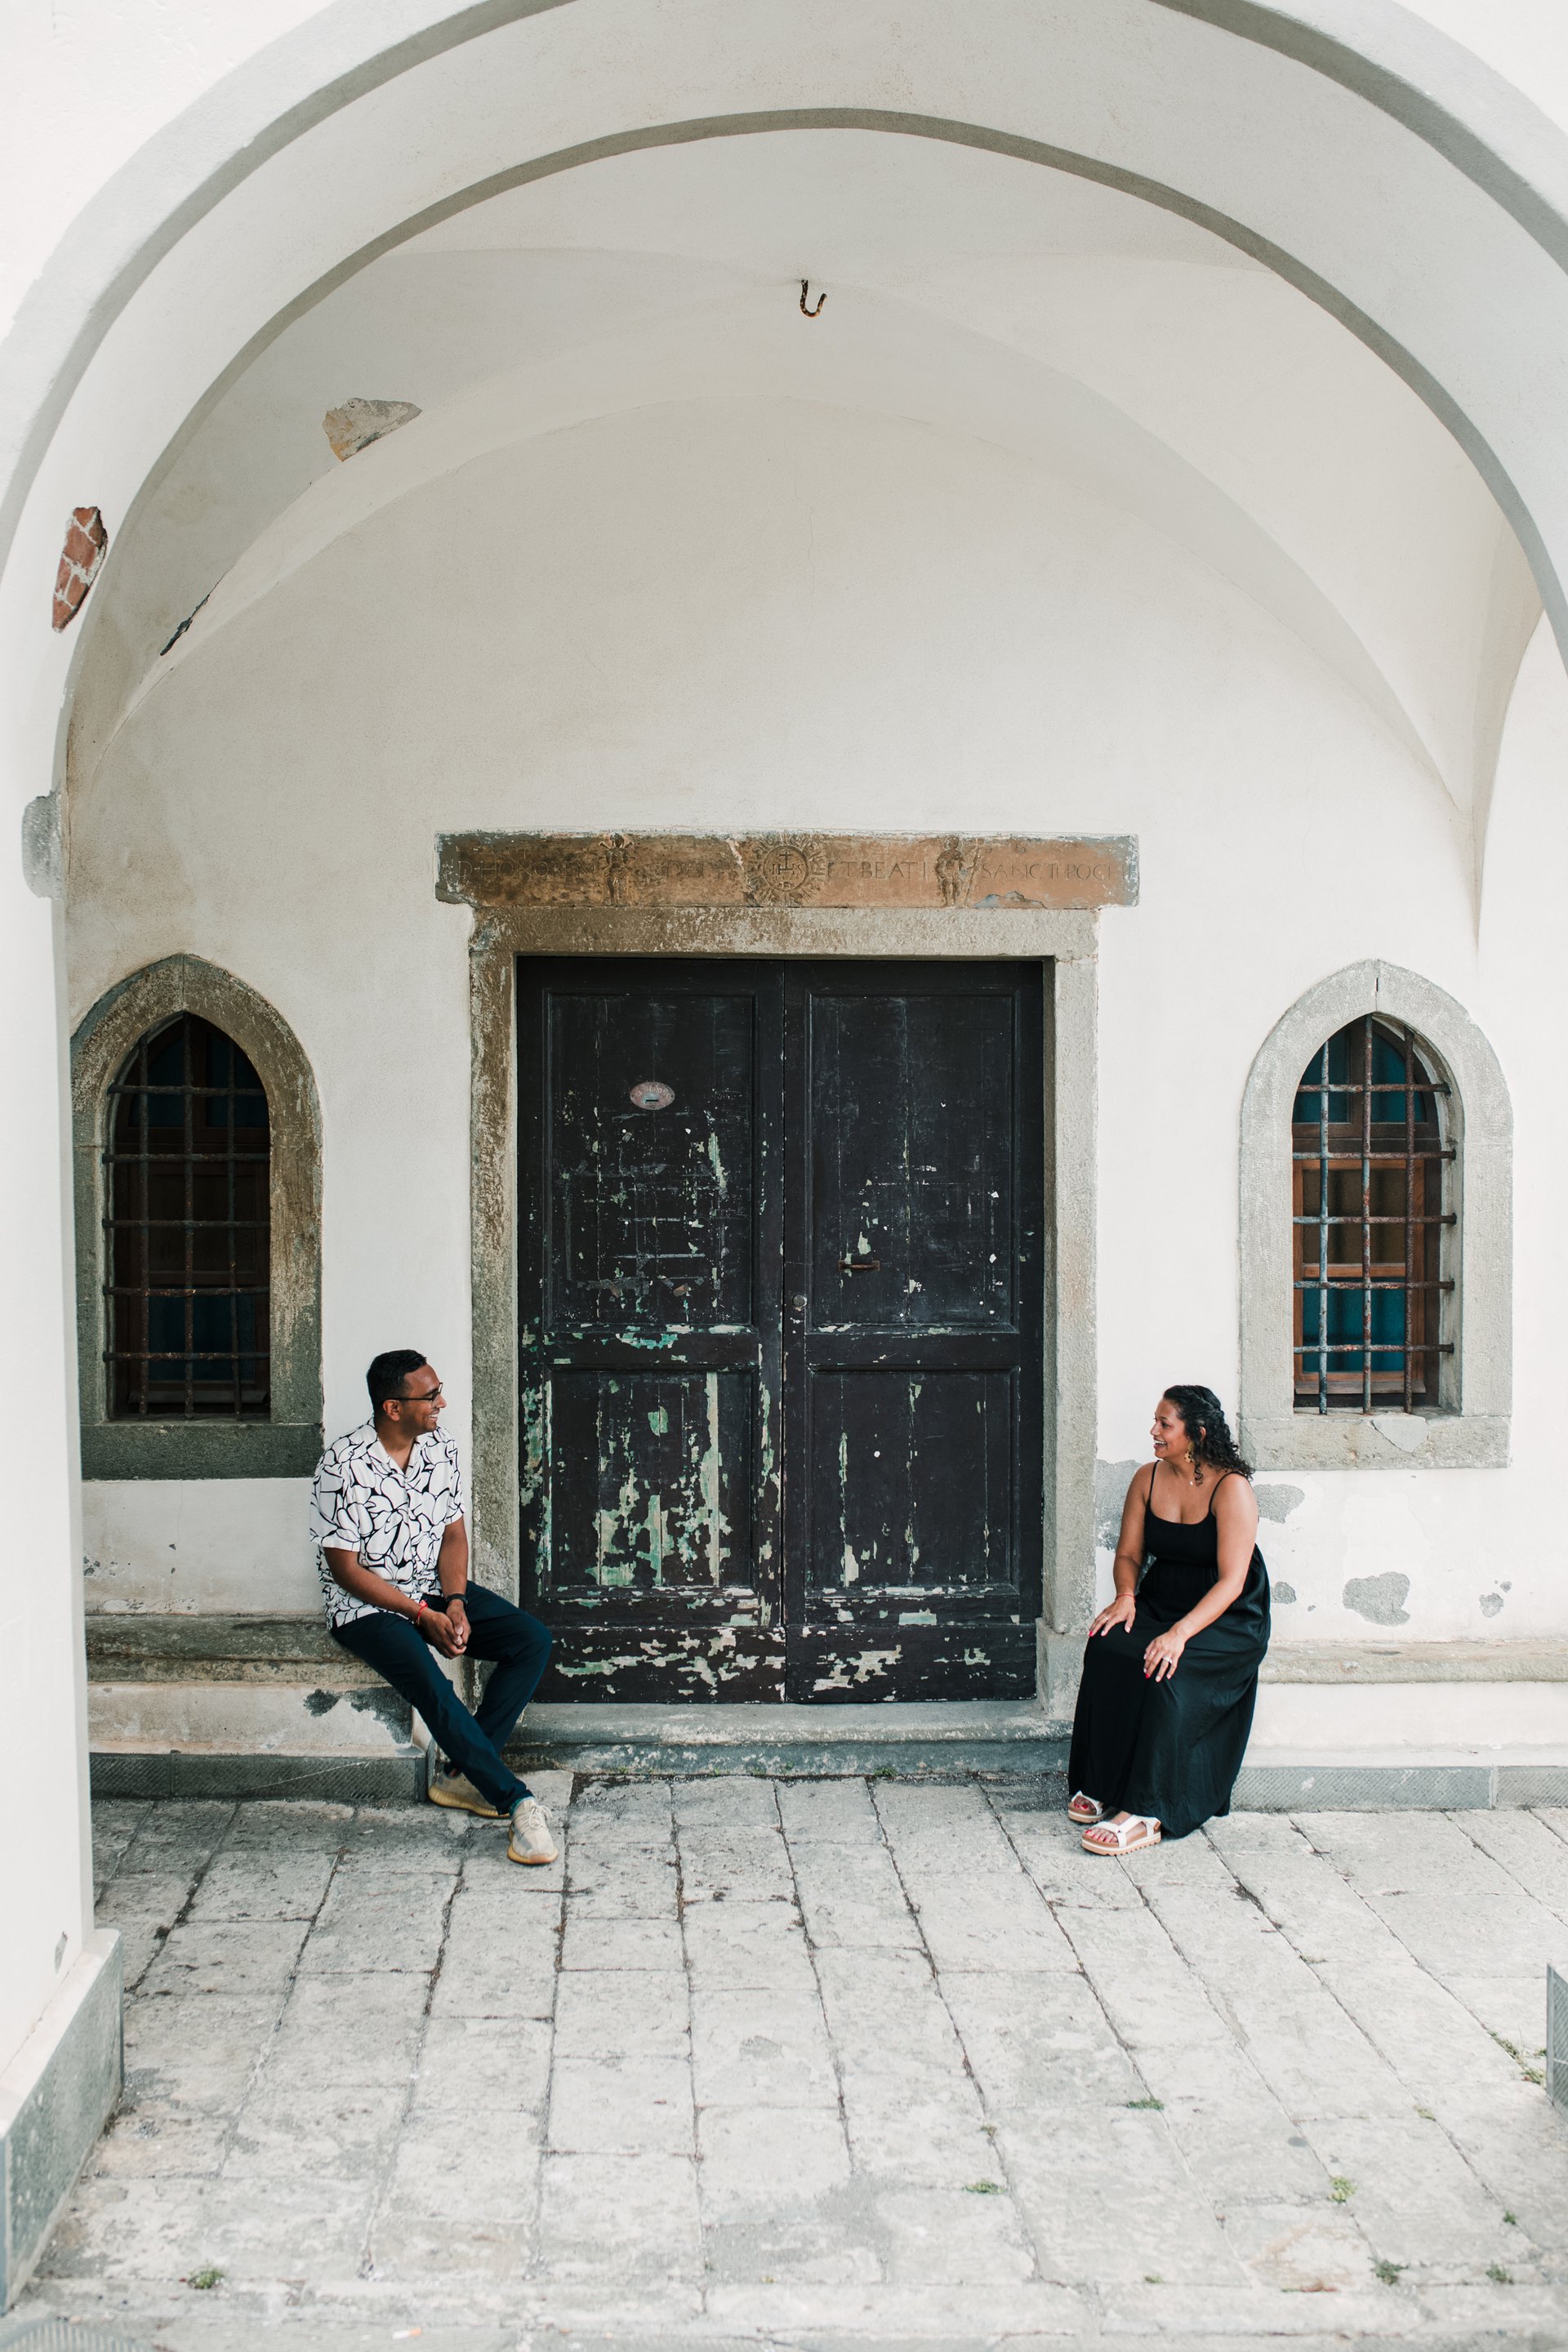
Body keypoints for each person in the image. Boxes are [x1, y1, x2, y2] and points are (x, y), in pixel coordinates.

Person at [310, 1349, 558, 1864]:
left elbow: (452, 1536)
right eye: (430, 1396)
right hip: (367, 1606)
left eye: (439, 1390)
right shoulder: (343, 1464)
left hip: (432, 1587)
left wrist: (459, 1602)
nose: (441, 1403)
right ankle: (515, 1802)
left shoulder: (438, 1447)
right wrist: (422, 1616)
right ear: (393, 1407)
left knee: (529, 1639)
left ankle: (463, 1776)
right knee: (432, 1684)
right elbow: (346, 1570)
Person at [1067, 1383, 1270, 1854]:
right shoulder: (1148, 1478)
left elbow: (1232, 1582)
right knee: (1108, 1644)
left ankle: (1146, 1810)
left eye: (1165, 1424)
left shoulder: (1231, 1488)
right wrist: (1124, 1596)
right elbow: (1130, 1554)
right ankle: (1102, 1782)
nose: (1153, 1432)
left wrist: (1180, 1634)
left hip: (1227, 1615)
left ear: (1196, 1433)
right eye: (1155, 1422)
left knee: (1166, 1669)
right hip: (1162, 1599)